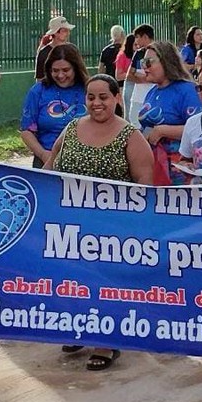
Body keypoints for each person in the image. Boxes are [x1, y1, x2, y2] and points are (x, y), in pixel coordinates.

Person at [47, 74, 154, 371]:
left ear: (117, 97)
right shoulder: (70, 129)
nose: (96, 103)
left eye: (103, 97)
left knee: (106, 285)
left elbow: (145, 187)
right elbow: (48, 168)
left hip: (112, 231)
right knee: (73, 281)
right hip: (69, 227)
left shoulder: (130, 136)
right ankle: (79, 328)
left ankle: (106, 342)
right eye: (91, 97)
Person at [137, 41, 202, 185]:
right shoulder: (152, 92)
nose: (144, 67)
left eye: (149, 62)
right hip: (153, 165)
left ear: (166, 61)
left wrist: (163, 131)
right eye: (143, 62)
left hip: (177, 169)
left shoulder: (187, 90)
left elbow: (199, 128)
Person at [20, 43, 89, 168]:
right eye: (55, 71)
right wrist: (43, 154)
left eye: (66, 70)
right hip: (46, 159)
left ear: (76, 68)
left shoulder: (89, 90)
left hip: (84, 161)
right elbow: (26, 131)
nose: (60, 75)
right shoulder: (38, 91)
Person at [126, 23, 155, 128]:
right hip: (137, 97)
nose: (136, 41)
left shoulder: (159, 52)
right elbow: (129, 75)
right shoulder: (138, 53)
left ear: (145, 37)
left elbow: (159, 77)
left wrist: (140, 76)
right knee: (134, 124)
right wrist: (146, 78)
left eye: (137, 37)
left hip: (152, 97)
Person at [35, 15, 75, 80]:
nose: (68, 33)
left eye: (68, 30)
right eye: (64, 31)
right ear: (56, 33)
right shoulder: (44, 53)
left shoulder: (73, 49)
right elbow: (40, 79)